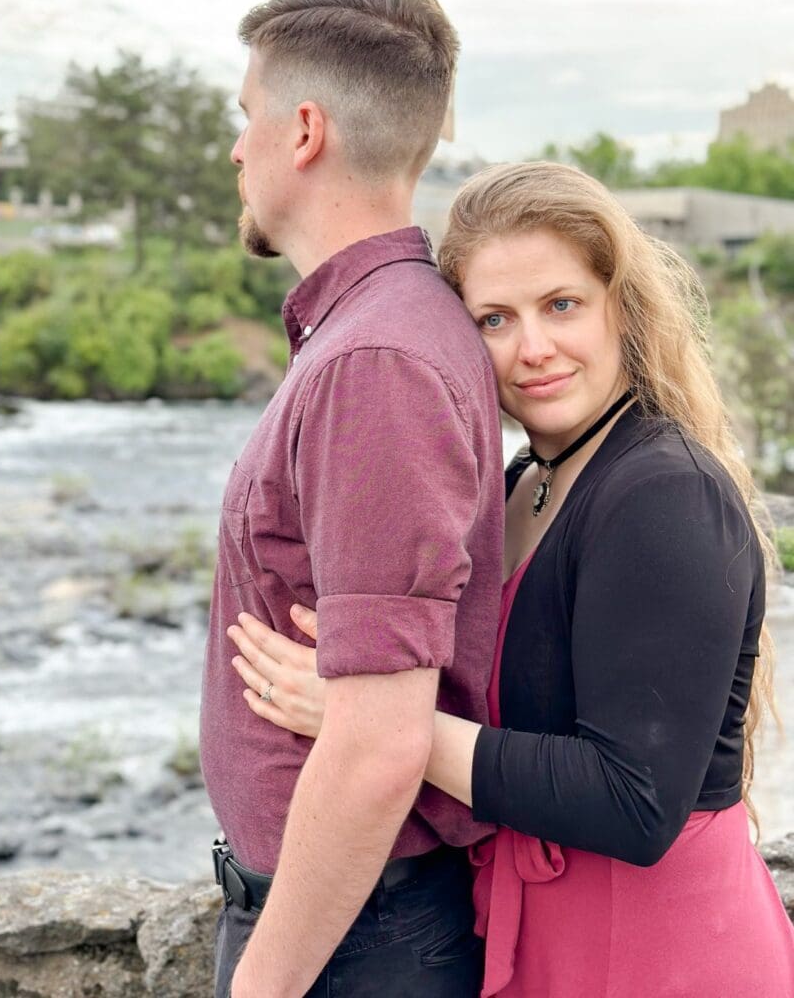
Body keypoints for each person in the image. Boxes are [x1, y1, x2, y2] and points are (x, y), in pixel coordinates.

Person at [229, 162, 794, 996]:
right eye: (496, 319)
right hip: (540, 934)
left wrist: (370, 721)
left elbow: (632, 801)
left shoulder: (662, 492)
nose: (533, 349)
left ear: (621, 308)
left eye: (562, 305)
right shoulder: (524, 477)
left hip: (655, 951)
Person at [200, 0, 505, 998]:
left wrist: (264, 984)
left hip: (355, 948)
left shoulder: (375, 362)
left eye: (246, 118)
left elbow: (378, 742)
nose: (236, 149)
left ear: (303, 131)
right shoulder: (376, 332)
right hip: (356, 928)